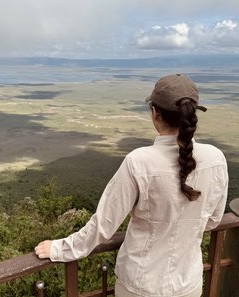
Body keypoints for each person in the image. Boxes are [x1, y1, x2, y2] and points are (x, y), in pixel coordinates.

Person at [35, 73, 228, 297]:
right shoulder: (216, 159)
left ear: (155, 113)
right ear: (192, 114)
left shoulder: (139, 162)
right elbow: (213, 220)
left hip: (141, 285)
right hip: (188, 284)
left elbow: (104, 225)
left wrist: (59, 249)